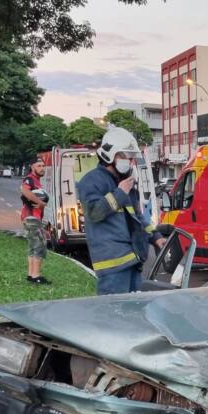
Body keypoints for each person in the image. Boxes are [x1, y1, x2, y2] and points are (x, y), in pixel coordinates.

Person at [78, 126, 165, 295]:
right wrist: (119, 193)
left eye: (131, 157)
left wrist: (155, 237)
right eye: (125, 156)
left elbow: (138, 217)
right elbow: (93, 213)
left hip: (133, 260)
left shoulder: (125, 181)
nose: (130, 161)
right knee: (113, 316)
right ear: (109, 155)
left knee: (132, 314)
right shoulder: (91, 181)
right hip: (112, 266)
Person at [20, 157, 50, 285]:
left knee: (33, 246)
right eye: (39, 166)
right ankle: (36, 276)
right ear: (32, 167)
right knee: (39, 246)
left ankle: (31, 274)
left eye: (43, 166)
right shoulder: (30, 179)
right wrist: (40, 203)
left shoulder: (37, 181)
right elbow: (24, 190)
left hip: (33, 218)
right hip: (31, 217)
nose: (42, 168)